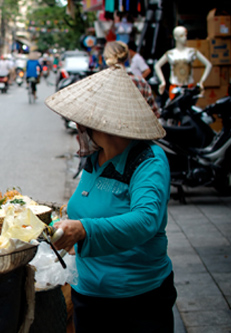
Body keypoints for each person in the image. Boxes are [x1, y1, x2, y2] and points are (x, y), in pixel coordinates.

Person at [45, 66, 176, 332]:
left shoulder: (148, 161)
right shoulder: (95, 158)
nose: (81, 127)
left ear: (105, 125)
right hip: (88, 294)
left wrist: (84, 230)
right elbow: (83, 206)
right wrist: (66, 223)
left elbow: (146, 220)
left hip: (138, 301)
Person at [103, 41, 160, 117]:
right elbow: (155, 114)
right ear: (126, 58)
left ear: (105, 58)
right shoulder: (141, 82)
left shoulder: (101, 82)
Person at [154, 26, 212, 100]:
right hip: (175, 88)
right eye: (181, 35)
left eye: (185, 35)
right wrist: (162, 82)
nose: (184, 38)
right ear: (176, 37)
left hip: (189, 88)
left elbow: (208, 65)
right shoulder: (170, 54)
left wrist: (201, 82)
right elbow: (157, 65)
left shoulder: (192, 52)